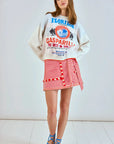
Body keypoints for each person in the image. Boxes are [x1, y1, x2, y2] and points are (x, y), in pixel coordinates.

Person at [28, 0, 90, 143]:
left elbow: (86, 43)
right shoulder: (48, 18)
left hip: (69, 66)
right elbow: (33, 41)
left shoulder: (74, 22)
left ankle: (59, 140)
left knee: (65, 107)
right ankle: (51, 138)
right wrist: (44, 57)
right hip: (52, 66)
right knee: (52, 110)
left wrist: (74, 57)